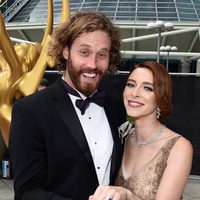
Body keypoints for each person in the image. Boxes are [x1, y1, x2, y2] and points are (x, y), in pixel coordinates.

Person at [9, 11, 126, 200]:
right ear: (65, 51)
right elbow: (27, 192)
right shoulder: (30, 110)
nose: (93, 64)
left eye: (102, 54)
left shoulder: (116, 107)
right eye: (84, 52)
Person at [90, 61, 193, 200]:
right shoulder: (123, 138)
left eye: (148, 88)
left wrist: (126, 195)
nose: (135, 93)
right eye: (131, 85)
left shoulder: (179, 147)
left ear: (160, 96)